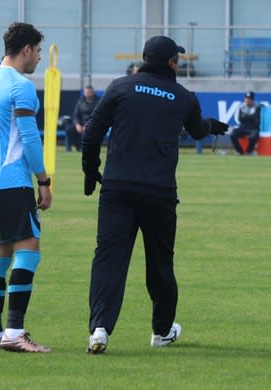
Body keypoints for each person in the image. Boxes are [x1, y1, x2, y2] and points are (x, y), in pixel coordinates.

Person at [82, 35, 228, 354]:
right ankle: (161, 331)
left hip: (118, 188)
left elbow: (92, 132)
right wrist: (211, 127)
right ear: (171, 62)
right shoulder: (183, 96)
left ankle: (100, 330)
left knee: (109, 259)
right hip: (159, 193)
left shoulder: (121, 86)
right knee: (160, 263)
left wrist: (91, 171)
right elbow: (197, 130)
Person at [0, 22, 52, 352]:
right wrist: (44, 179)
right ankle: (14, 333)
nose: (38, 59)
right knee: (28, 252)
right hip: (12, 181)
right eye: (37, 52)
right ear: (26, 50)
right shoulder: (21, 87)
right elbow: (31, 139)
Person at [70, 85, 100, 151]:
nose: (88, 94)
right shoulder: (80, 101)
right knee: (70, 129)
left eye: (90, 92)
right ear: (84, 93)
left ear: (93, 92)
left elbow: (98, 116)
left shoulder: (99, 101)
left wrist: (87, 125)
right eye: (87, 93)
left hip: (94, 124)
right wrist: (77, 125)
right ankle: (76, 147)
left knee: (89, 131)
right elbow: (75, 115)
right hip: (81, 124)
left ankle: (85, 148)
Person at [230, 91, 260, 155]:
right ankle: (239, 151)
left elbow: (256, 118)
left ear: (252, 99)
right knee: (233, 134)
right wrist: (250, 117)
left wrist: (246, 116)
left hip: (253, 128)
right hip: (243, 127)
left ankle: (249, 152)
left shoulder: (257, 107)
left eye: (249, 98)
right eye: (246, 98)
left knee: (253, 136)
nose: (247, 100)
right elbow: (240, 119)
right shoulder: (242, 107)